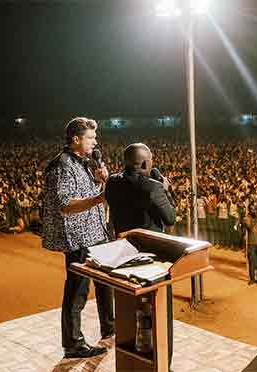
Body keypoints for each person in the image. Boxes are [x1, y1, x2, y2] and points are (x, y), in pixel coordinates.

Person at [41, 117, 113, 359]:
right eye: (91, 137)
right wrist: (99, 198)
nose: (95, 141)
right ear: (76, 139)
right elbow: (65, 205)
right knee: (77, 291)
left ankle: (110, 327)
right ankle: (73, 343)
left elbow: (83, 192)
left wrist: (100, 180)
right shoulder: (63, 165)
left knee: (105, 283)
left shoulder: (81, 162)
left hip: (94, 233)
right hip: (79, 239)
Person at [105, 143, 176, 368]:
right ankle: (162, 363)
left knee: (128, 308)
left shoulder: (112, 182)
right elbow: (171, 217)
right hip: (151, 260)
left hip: (123, 255)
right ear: (145, 163)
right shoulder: (153, 188)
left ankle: (131, 362)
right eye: (151, 161)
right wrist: (164, 188)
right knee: (159, 313)